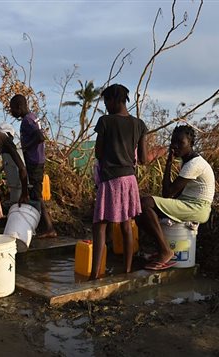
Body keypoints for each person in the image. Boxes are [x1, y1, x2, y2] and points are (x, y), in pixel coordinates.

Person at [137, 125, 215, 270]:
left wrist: (168, 162)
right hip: (188, 203)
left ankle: (165, 251)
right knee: (139, 211)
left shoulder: (194, 164)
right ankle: (162, 249)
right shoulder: (187, 161)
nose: (175, 146)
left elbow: (168, 193)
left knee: (144, 203)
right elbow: (171, 193)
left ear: (191, 144)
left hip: (198, 207)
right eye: (173, 142)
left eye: (180, 143)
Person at [90, 84, 148, 280]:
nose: (106, 106)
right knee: (126, 224)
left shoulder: (105, 121)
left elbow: (98, 152)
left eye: (106, 101)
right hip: (129, 180)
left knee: (100, 225)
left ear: (114, 100)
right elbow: (144, 159)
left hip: (110, 179)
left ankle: (95, 274)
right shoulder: (139, 124)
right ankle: (128, 270)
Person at [9, 94, 57, 238]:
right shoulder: (32, 117)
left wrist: (25, 148)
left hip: (34, 161)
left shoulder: (27, 120)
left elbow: (40, 137)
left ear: (19, 107)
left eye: (12, 109)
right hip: (38, 160)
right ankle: (43, 227)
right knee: (35, 193)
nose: (11, 112)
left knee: (36, 195)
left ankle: (49, 228)